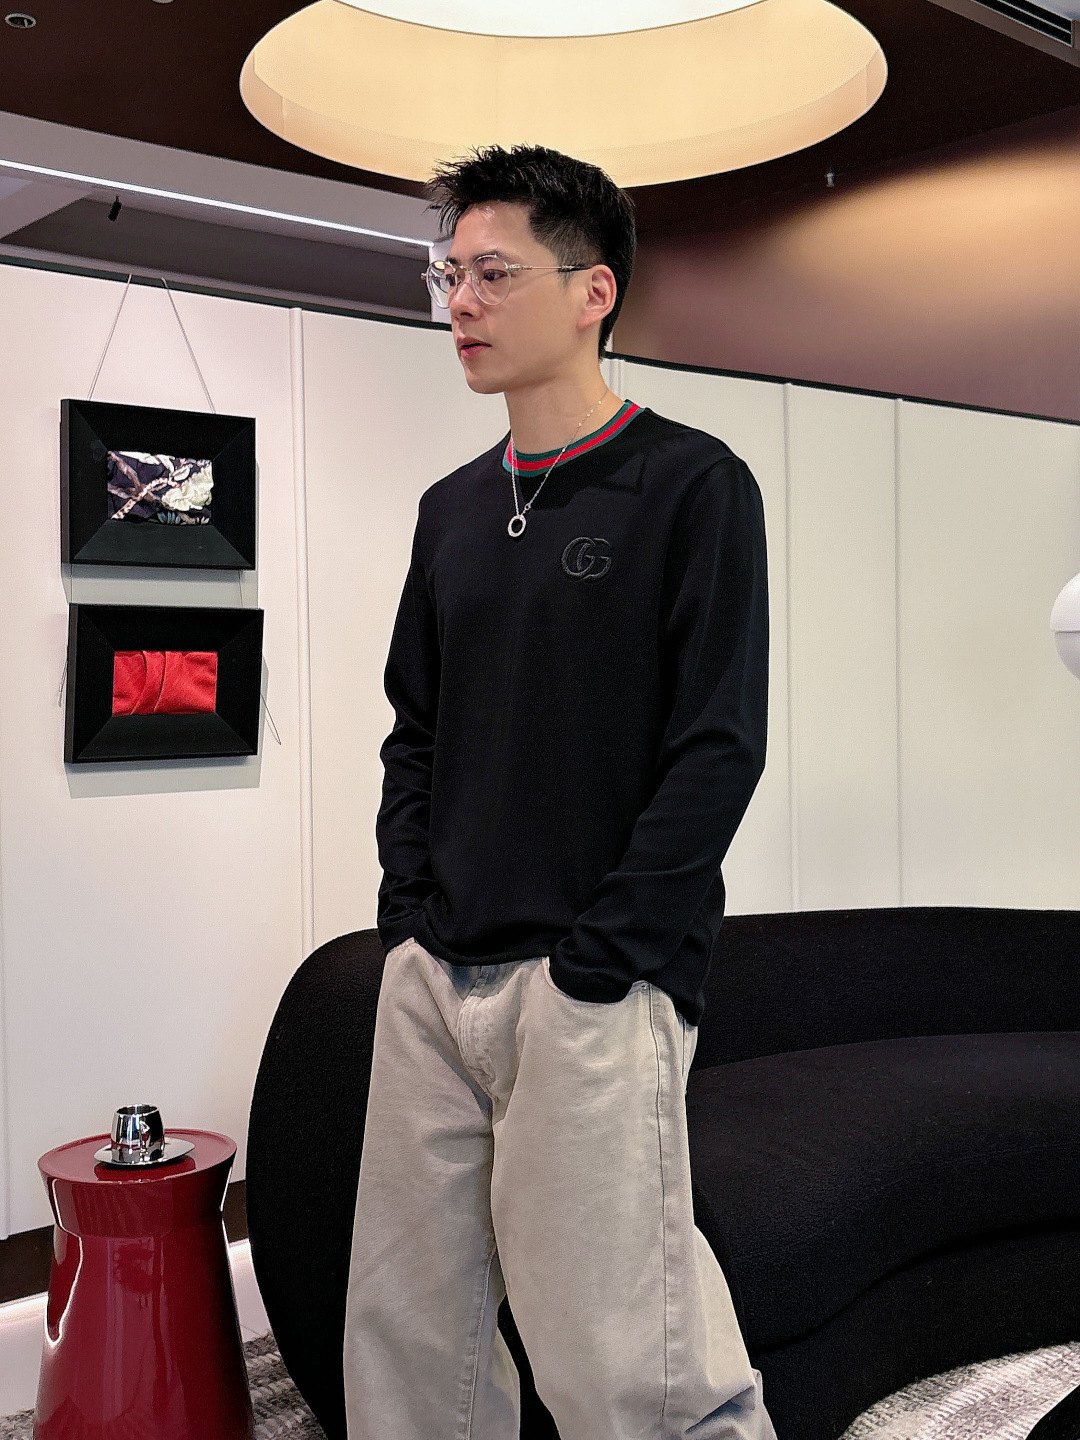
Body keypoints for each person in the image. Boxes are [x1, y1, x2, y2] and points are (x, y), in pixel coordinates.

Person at [343, 141, 777, 1440]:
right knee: (409, 1343)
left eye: (492, 273)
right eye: (449, 275)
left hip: (591, 987)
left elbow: (718, 746)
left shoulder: (692, 485)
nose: (459, 303)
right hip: (436, 980)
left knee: (626, 1366)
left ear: (594, 291)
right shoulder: (451, 510)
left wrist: (604, 963)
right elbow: (415, 731)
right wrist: (407, 919)